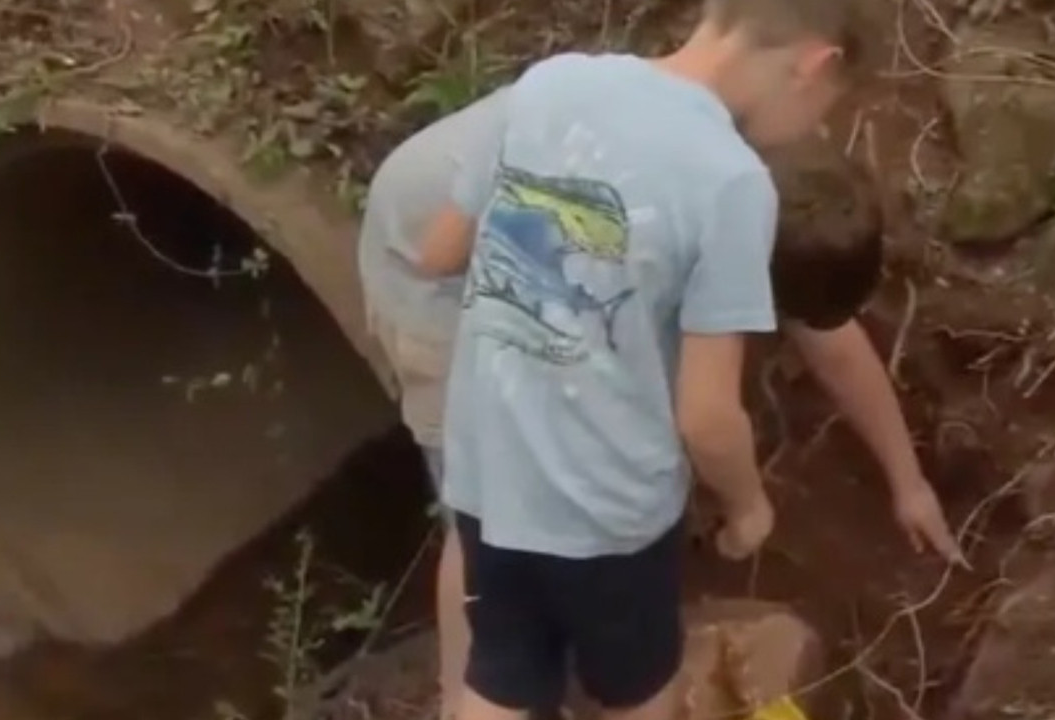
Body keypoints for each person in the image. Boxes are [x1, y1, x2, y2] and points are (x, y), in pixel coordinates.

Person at [412, 3, 940, 720]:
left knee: (500, 678)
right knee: (639, 694)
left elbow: (440, 252)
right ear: (814, 64)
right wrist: (748, 507)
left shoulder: (552, 84)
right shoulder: (729, 181)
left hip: (490, 477)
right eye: (827, 106)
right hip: (606, 513)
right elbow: (707, 416)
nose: (810, 131)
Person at [356, 88, 511, 720]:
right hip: (425, 278)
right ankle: (462, 699)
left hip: (459, 247)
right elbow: (439, 253)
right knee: (480, 517)